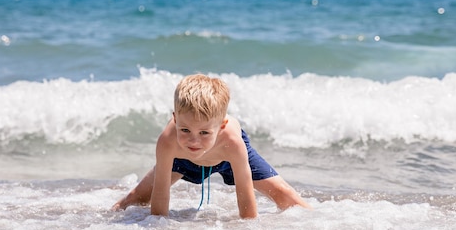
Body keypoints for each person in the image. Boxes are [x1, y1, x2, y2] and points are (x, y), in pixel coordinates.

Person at [112, 74, 312, 219]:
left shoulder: (232, 142)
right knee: (136, 198)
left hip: (225, 157)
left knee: (287, 198)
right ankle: (101, 219)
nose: (193, 141)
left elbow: (244, 193)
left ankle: (320, 226)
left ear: (221, 126)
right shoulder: (168, 141)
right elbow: (161, 195)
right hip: (183, 161)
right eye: (184, 130)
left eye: (204, 132)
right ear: (175, 118)